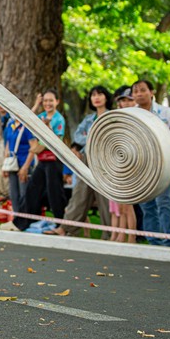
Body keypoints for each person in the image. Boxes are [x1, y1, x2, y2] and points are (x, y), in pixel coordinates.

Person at [48, 86, 113, 237]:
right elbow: (78, 137)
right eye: (93, 95)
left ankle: (110, 233)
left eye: (100, 94)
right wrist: (94, 137)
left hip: (106, 162)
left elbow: (109, 138)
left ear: (106, 97)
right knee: (79, 194)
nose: (96, 97)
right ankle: (66, 228)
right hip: (87, 160)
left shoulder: (112, 117)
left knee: (105, 199)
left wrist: (89, 137)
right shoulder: (88, 119)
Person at [131, 79, 170, 247]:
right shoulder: (130, 115)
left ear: (151, 92)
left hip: (163, 166)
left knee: (164, 203)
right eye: (135, 91)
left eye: (143, 90)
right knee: (147, 205)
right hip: (141, 167)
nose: (139, 94)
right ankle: (154, 240)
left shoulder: (167, 113)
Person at [11, 90, 67, 231]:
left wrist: (38, 147)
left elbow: (55, 141)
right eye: (45, 101)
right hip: (42, 160)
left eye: (51, 100)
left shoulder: (59, 119)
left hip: (54, 160)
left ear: (57, 101)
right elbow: (26, 119)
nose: (47, 103)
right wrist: (35, 104)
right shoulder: (41, 116)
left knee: (55, 193)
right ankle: (20, 223)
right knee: (32, 189)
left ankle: (62, 225)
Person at [0, 112, 32, 228]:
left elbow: (32, 147)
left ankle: (24, 221)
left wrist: (26, 167)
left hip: (23, 163)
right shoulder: (11, 125)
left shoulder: (27, 126)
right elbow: (8, 145)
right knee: (14, 193)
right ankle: (16, 220)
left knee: (24, 193)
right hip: (12, 164)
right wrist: (5, 163)